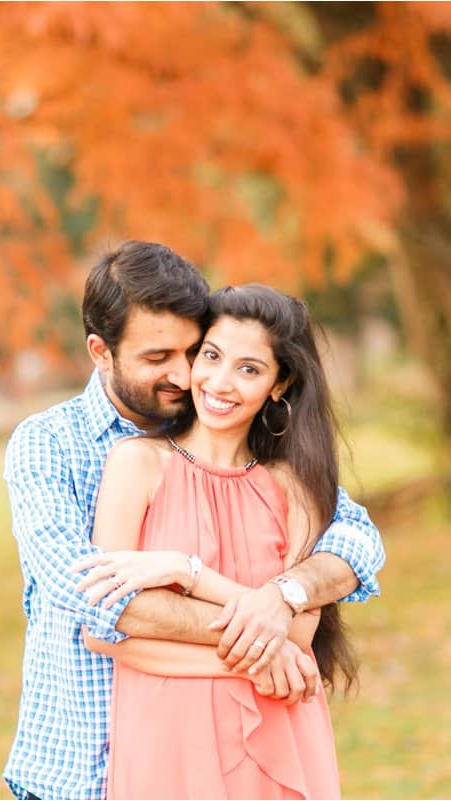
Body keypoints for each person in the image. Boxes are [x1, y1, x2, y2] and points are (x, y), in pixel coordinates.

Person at [3, 241, 384, 800]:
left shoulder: (257, 449)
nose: (186, 377)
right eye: (159, 358)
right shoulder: (51, 445)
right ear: (100, 352)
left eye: (194, 350)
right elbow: (101, 602)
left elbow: (356, 538)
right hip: (81, 764)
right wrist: (268, 644)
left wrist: (279, 595)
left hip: (237, 745)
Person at [78, 284, 349, 798]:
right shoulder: (137, 465)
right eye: (212, 356)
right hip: (169, 738)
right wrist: (266, 657)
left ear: (279, 383)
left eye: (249, 368)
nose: (219, 382)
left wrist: (189, 573)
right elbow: (102, 628)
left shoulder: (295, 486)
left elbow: (299, 634)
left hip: (280, 729)